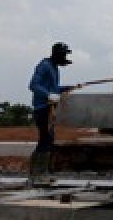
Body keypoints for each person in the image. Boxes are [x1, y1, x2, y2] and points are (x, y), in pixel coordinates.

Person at [27, 42, 80, 178]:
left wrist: (69, 87)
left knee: (47, 139)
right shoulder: (44, 66)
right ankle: (39, 172)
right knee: (46, 139)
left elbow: (54, 89)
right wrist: (48, 95)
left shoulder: (54, 68)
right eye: (64, 54)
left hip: (49, 109)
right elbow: (33, 84)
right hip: (42, 108)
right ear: (57, 54)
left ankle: (38, 170)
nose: (65, 57)